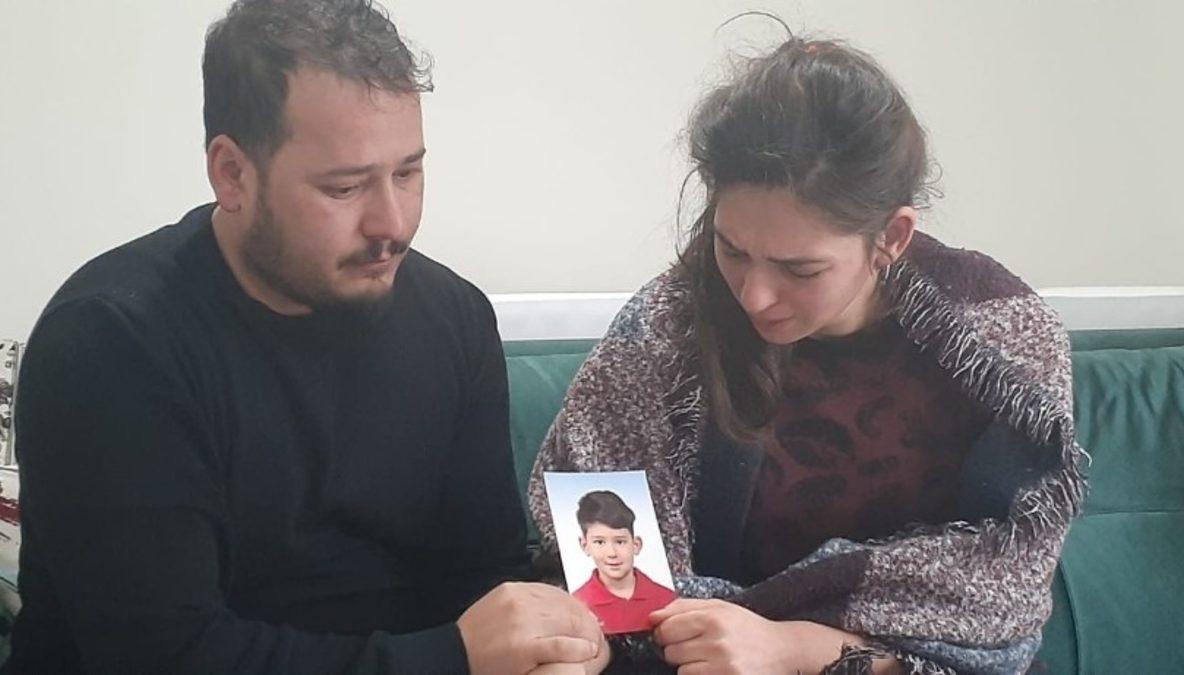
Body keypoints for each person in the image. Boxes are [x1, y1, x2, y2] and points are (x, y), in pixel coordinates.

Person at [8, 1, 607, 673]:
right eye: (344, 187)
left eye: (407, 173)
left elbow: (483, 580)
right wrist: (453, 657)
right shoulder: (110, 345)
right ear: (232, 174)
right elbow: (163, 655)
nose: (392, 223)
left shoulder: (455, 319)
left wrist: (552, 646)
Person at [530, 33, 1085, 674]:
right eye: (732, 249)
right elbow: (604, 561)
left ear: (893, 236)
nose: (754, 296)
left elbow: (1003, 596)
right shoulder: (664, 327)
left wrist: (793, 650)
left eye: (800, 268)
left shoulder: (1004, 340)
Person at [572, 491, 676, 634]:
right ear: (585, 546)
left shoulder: (667, 599)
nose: (612, 553)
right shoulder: (577, 606)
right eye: (600, 542)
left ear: (636, 545)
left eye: (620, 542)